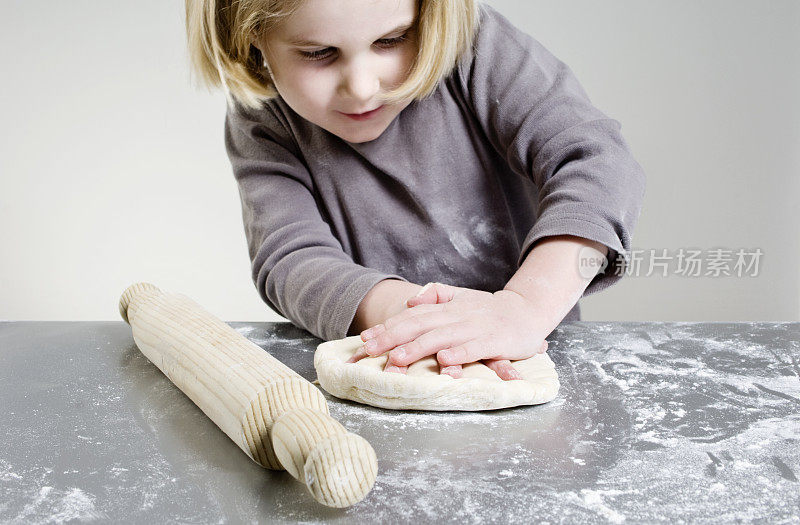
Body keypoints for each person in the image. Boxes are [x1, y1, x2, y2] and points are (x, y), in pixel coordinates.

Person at [185, 0, 646, 381]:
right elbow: (289, 258)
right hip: (388, 370)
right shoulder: (266, 118)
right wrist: (423, 321)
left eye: (391, 41)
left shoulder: (477, 50)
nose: (363, 88)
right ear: (248, 37)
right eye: (319, 53)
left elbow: (595, 162)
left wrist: (523, 308)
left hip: (534, 363)